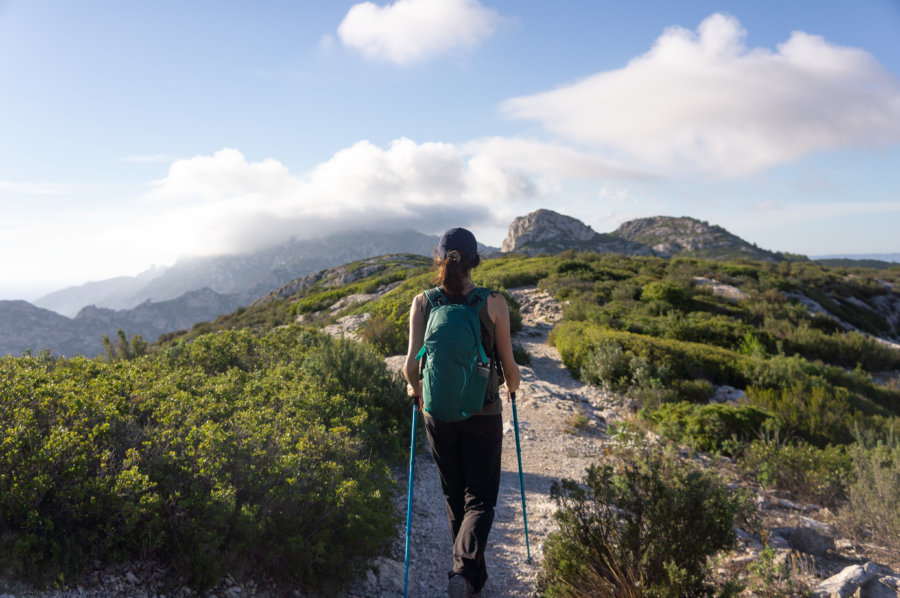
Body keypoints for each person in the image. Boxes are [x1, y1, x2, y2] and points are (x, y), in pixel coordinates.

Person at [403, 227, 521, 597]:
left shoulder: (423, 301)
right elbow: (510, 368)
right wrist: (512, 387)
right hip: (483, 414)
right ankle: (464, 573)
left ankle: (469, 579)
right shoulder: (494, 302)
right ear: (475, 261)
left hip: (437, 413)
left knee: (455, 495)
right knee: (481, 498)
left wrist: (418, 391)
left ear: (439, 259)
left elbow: (410, 367)